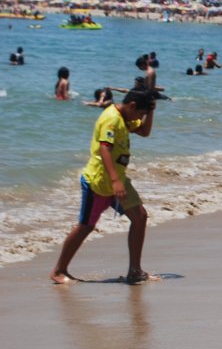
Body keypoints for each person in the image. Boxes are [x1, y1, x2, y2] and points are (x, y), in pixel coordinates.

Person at [50, 90, 156, 284]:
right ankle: (59, 270)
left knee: (140, 217)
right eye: (140, 113)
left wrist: (150, 111)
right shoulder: (111, 118)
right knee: (86, 226)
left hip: (118, 181)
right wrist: (115, 180)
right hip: (98, 182)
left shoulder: (125, 118)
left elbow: (144, 132)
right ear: (132, 106)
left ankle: (135, 270)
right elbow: (104, 148)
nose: (140, 118)